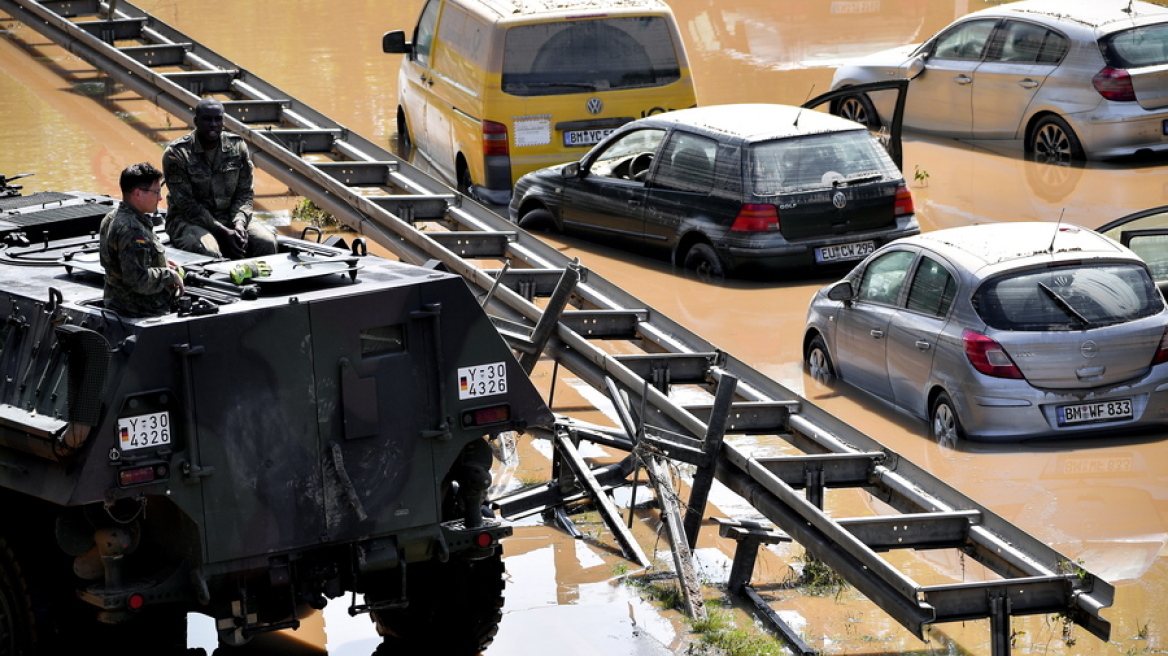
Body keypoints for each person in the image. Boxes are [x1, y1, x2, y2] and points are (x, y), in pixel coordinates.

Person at [162, 96, 278, 259]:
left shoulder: (237, 147)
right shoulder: (177, 153)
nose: (213, 125)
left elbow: (245, 194)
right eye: (207, 119)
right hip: (187, 221)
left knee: (266, 242)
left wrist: (239, 223)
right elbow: (187, 206)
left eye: (218, 119)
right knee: (209, 252)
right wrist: (222, 231)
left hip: (229, 217)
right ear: (196, 121)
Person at [99, 162, 184, 318]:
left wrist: (160, 263)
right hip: (142, 312)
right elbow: (138, 279)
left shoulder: (111, 217)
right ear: (138, 194)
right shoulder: (132, 229)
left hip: (119, 306)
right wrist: (170, 276)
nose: (160, 198)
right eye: (156, 192)